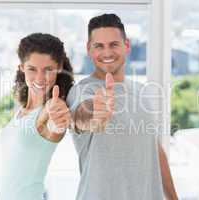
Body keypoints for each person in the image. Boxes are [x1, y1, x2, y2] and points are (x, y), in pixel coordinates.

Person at [67, 14, 178, 200]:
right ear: (89, 49)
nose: (107, 52)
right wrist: (96, 114)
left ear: (126, 46)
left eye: (113, 44)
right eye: (99, 46)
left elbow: (155, 151)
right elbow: (81, 117)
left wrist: (174, 198)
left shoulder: (143, 92)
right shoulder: (82, 91)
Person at [0, 33, 74, 200]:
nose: (40, 78)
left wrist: (59, 119)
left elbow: (56, 123)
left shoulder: (49, 110)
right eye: (32, 69)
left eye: (48, 70)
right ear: (22, 68)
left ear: (59, 68)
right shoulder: (20, 111)